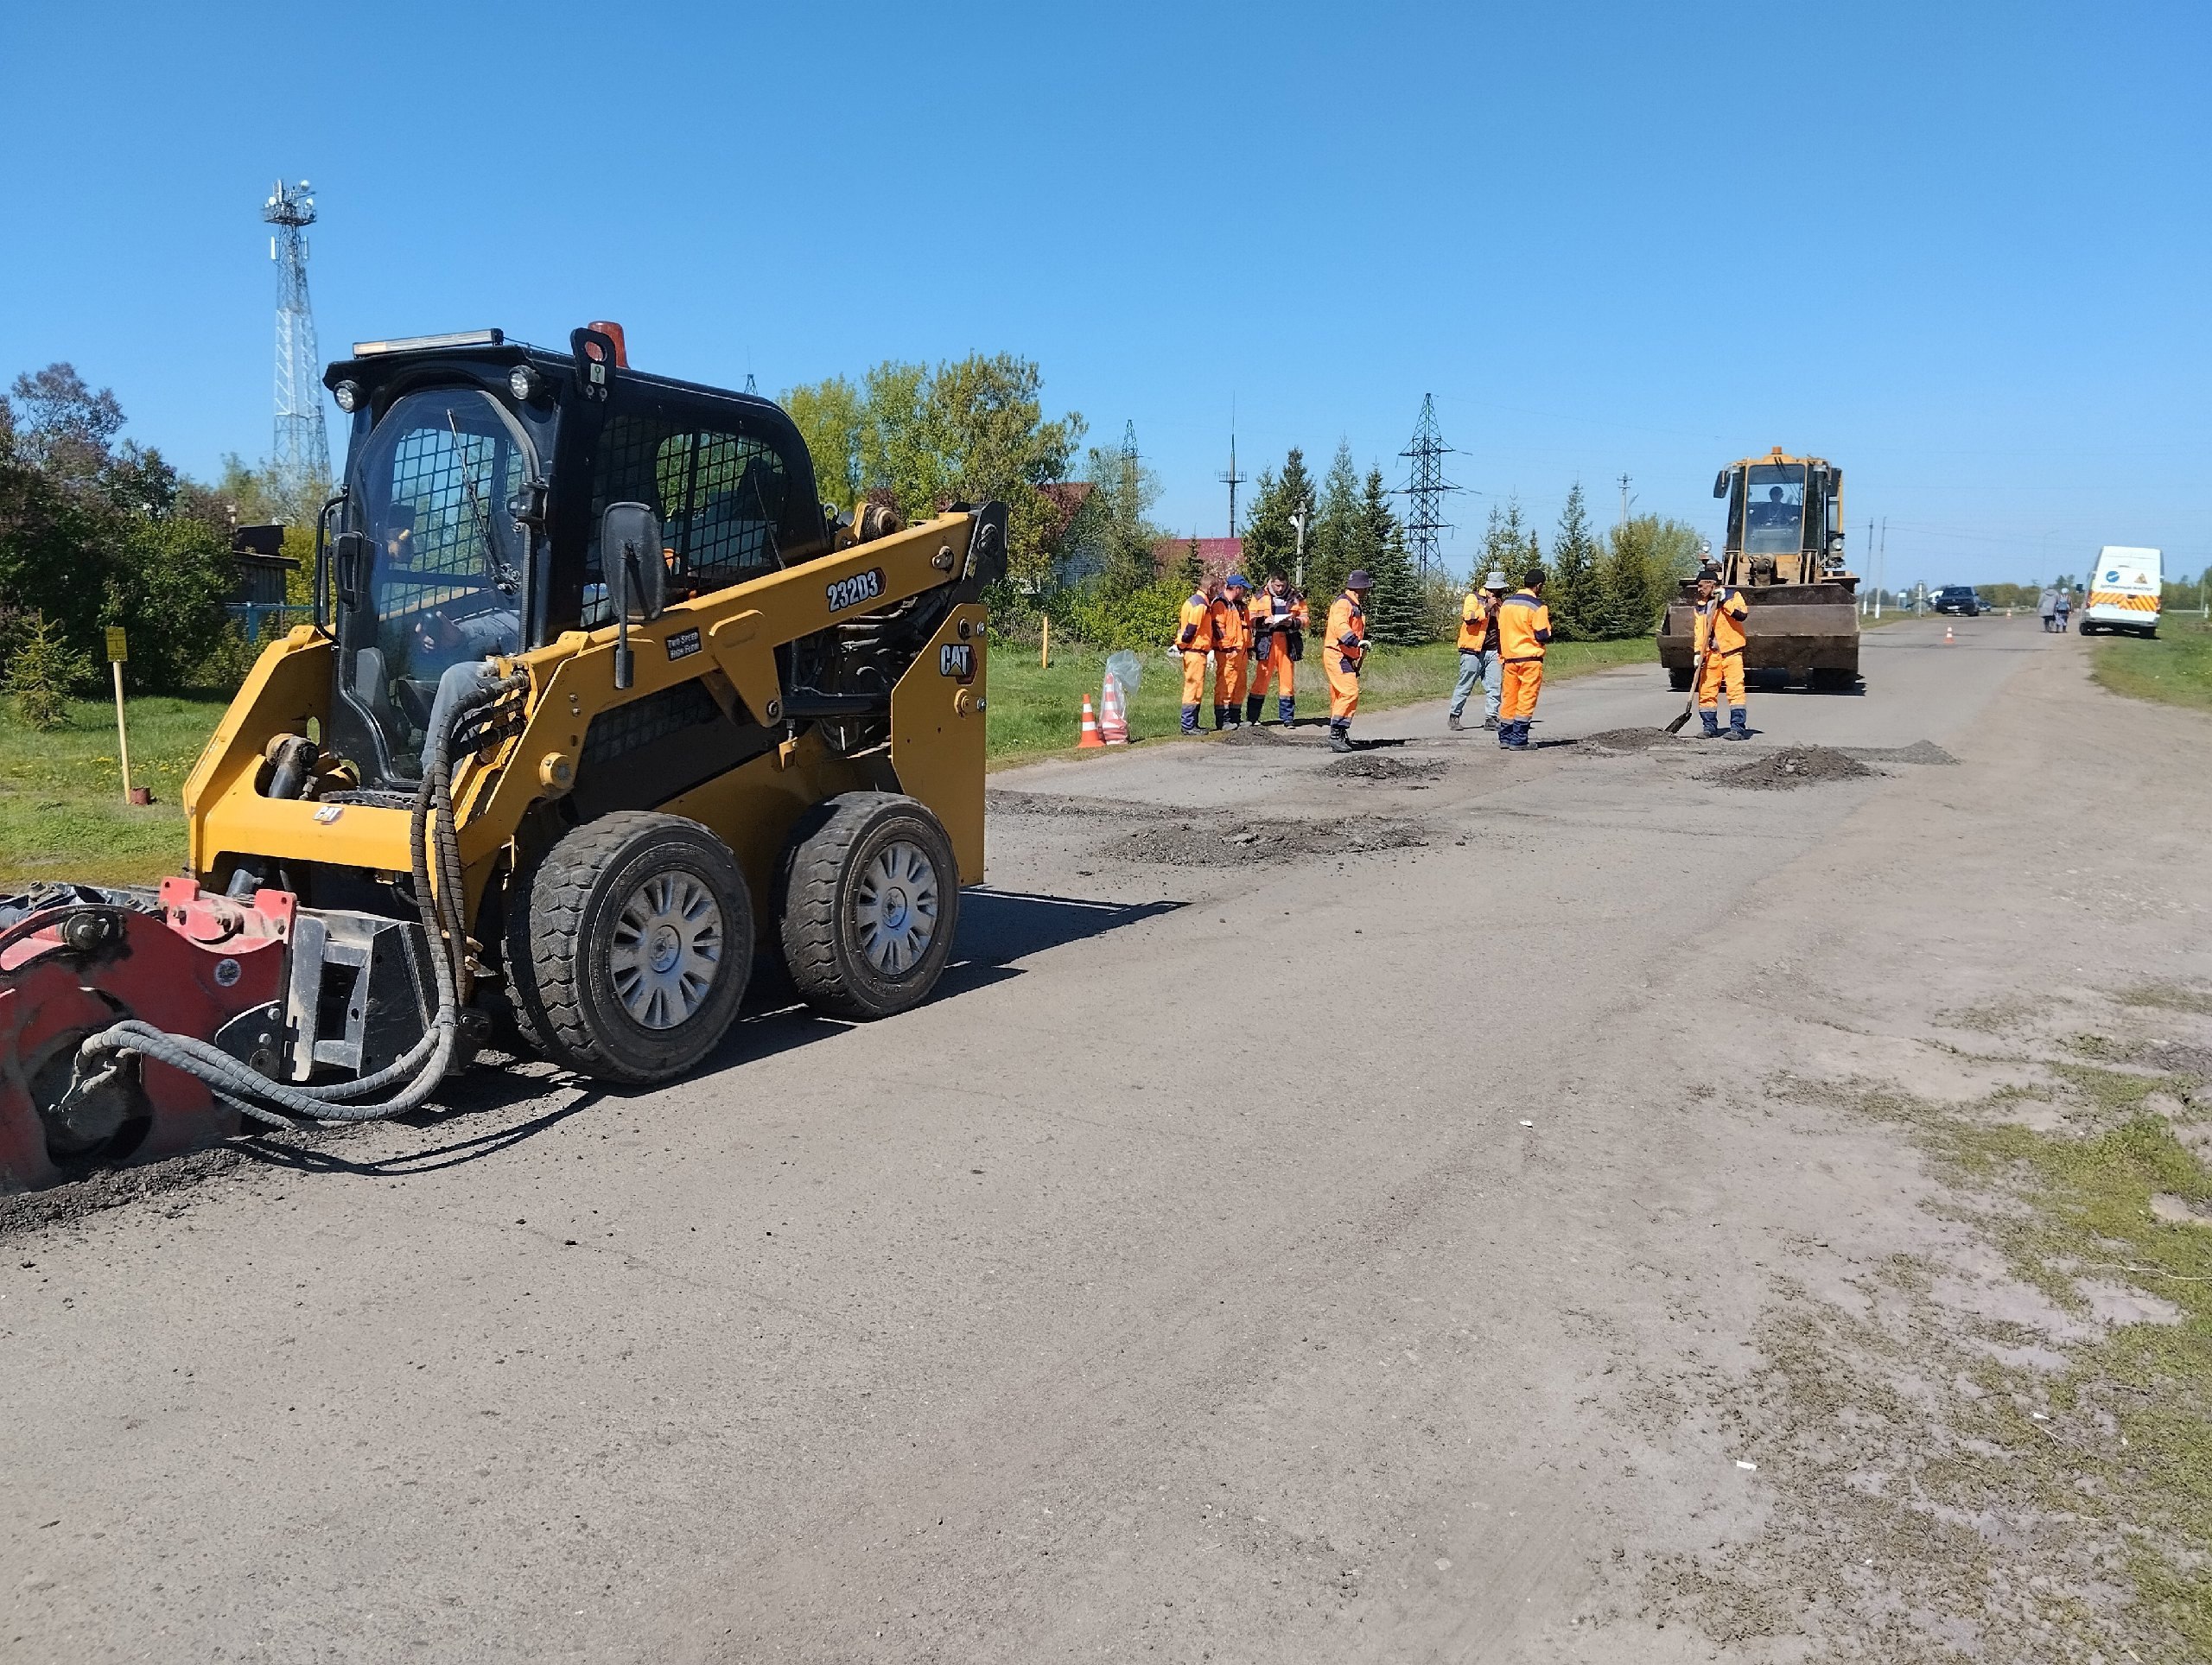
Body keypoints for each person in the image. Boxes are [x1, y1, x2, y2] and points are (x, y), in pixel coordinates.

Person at [1690, 563, 1751, 740]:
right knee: (1707, 691)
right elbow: (1699, 631)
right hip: (1710, 654)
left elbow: (1742, 615)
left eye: (1702, 586)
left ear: (1711, 584)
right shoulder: (1700, 605)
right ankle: (1709, 727)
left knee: (1735, 690)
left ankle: (1737, 729)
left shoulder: (1733, 596)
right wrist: (1697, 653)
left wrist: (1724, 601)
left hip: (1731, 652)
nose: (1699, 589)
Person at [1494, 566, 1552, 750]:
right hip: (1530, 659)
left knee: (1509, 697)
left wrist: (1502, 655)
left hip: (1509, 658)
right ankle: (1519, 740)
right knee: (1526, 697)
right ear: (1539, 585)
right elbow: (1542, 634)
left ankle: (1505, 737)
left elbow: (1500, 632)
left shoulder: (1507, 605)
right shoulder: (1538, 606)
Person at [1448, 569, 1510, 732]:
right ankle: (1454, 716)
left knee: (1495, 686)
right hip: (1472, 651)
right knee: (1465, 684)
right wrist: (1487, 608)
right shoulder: (1474, 598)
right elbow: (1468, 618)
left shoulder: (1501, 603)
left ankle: (1491, 717)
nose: (1500, 591)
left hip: (1493, 651)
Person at [1323, 569, 1373, 753]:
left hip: (1345, 655)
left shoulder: (1353, 604)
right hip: (1337, 654)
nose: (1367, 591)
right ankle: (1336, 735)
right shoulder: (1344, 604)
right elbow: (1340, 626)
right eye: (1366, 588)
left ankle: (1339, 734)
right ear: (1361, 588)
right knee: (1350, 693)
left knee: (1339, 696)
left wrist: (1356, 651)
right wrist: (1355, 641)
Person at [1246, 574, 1305, 724]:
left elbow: (1305, 617)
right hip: (1267, 641)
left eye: (1283, 586)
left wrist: (1293, 622)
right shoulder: (1259, 595)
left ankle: (1287, 718)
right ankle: (1253, 717)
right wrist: (1263, 621)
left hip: (1287, 641)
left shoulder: (1296, 596)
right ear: (1271, 582)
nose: (1280, 589)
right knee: (1261, 679)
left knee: (1287, 682)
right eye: (1277, 585)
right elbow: (1250, 617)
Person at [1173, 573, 1222, 735]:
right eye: (1216, 588)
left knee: (1196, 687)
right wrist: (1183, 645)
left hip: (1193, 651)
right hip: (1194, 651)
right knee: (1193, 688)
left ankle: (1192, 724)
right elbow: (1190, 630)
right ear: (1210, 588)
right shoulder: (1200, 605)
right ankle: (1188, 725)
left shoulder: (1192, 601)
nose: (1217, 592)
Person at [1212, 574, 1252, 728]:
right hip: (1227, 652)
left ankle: (1235, 718)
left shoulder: (1239, 606)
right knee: (1226, 685)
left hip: (1241, 652)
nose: (1245, 593)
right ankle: (1224, 720)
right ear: (1237, 588)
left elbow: (1245, 629)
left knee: (1239, 685)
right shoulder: (1221, 604)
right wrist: (1228, 648)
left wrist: (1248, 648)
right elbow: (1218, 628)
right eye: (1243, 589)